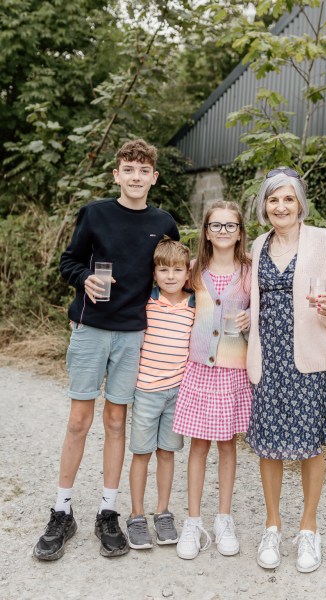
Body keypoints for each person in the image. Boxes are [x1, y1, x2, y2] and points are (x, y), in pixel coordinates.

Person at [33, 139, 179, 561]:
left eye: (143, 170)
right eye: (128, 169)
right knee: (80, 420)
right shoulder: (95, 213)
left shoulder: (164, 222)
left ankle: (107, 510)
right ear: (116, 174)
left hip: (135, 334)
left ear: (154, 177)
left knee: (117, 421)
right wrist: (85, 280)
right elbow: (69, 262)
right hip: (92, 328)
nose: (136, 177)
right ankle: (61, 511)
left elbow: (171, 274)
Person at [246, 167, 326, 573]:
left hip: (309, 360)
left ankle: (308, 529)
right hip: (268, 359)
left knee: (310, 445)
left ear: (300, 204)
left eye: (288, 199)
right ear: (264, 206)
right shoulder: (258, 245)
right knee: (268, 444)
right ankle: (272, 525)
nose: (281, 206)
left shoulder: (323, 242)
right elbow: (248, 299)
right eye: (273, 199)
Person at [173, 200, 252, 560]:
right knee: (198, 446)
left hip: (233, 371)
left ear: (239, 232)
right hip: (199, 370)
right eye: (216, 225)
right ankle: (193, 520)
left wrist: (252, 318)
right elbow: (166, 300)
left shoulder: (249, 272)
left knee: (227, 445)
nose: (223, 231)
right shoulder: (193, 271)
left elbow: (263, 310)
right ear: (206, 231)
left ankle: (224, 518)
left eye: (230, 226)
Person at [126, 237, 195, 550]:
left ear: (186, 273)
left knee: (167, 453)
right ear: (154, 273)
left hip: (177, 393)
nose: (170, 276)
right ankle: (136, 515)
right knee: (141, 453)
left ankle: (162, 512)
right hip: (146, 391)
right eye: (163, 269)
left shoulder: (193, 304)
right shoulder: (147, 301)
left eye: (177, 269)